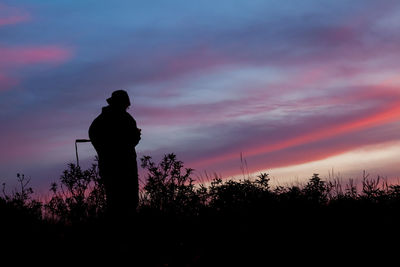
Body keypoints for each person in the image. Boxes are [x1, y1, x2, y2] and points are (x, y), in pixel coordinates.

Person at [89, 90, 141, 224]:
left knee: (127, 201)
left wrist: (134, 137)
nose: (125, 107)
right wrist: (107, 150)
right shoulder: (103, 120)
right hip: (114, 167)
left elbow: (132, 141)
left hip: (125, 166)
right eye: (124, 104)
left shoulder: (126, 119)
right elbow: (95, 137)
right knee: (116, 202)